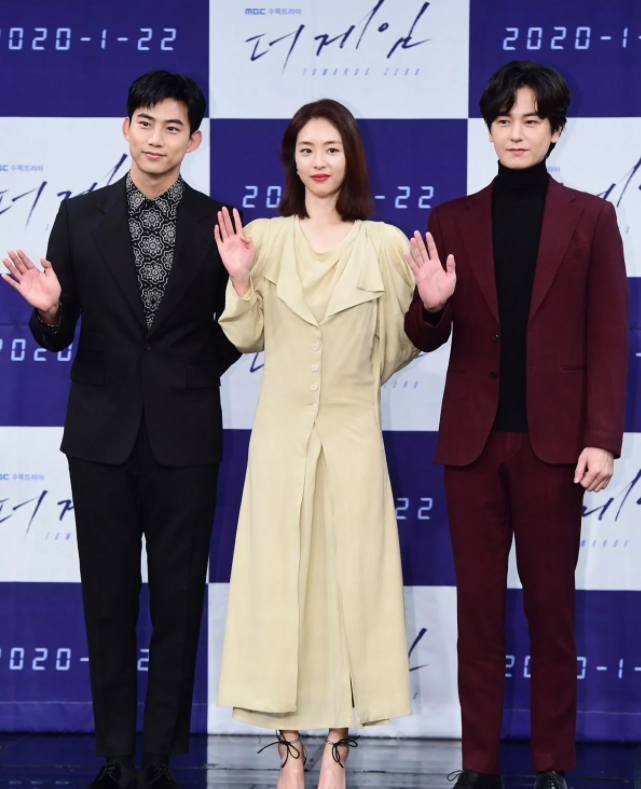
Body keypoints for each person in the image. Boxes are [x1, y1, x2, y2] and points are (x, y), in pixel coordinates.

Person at [1, 71, 240, 789]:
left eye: (173, 127)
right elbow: (56, 331)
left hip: (186, 436)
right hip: (101, 436)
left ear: (194, 140)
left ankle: (160, 755)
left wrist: (193, 363)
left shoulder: (221, 223)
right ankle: (112, 753)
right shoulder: (80, 217)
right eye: (145, 122)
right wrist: (49, 310)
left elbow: (238, 331)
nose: (156, 138)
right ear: (125, 128)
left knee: (177, 599)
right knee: (106, 598)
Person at [404, 61, 628, 789]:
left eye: (531, 120)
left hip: (554, 446)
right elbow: (425, 334)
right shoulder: (452, 219)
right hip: (473, 444)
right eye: (504, 120)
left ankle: (551, 760)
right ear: (489, 129)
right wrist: (431, 303)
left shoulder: (592, 218)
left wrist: (601, 437)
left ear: (555, 130)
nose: (516, 133)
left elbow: (608, 336)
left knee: (550, 610)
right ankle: (476, 762)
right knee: (477, 612)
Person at [214, 98, 416, 789]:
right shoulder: (263, 238)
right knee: (279, 588)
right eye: (306, 149)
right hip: (279, 441)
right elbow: (246, 337)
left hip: (353, 440)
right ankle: (288, 752)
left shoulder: (383, 244)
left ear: (350, 157)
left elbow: (397, 346)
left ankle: (336, 748)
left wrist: (353, 381)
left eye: (331, 148)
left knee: (348, 588)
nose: (319, 161)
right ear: (291, 161)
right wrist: (241, 279)